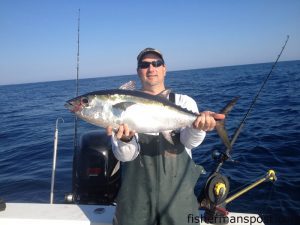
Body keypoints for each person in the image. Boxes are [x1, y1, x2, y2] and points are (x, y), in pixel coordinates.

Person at [106, 48, 225, 225]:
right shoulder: (122, 108)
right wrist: (125, 139)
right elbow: (125, 156)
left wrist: (199, 127)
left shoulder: (184, 102)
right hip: (136, 198)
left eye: (156, 63)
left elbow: (189, 143)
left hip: (178, 196)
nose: (151, 68)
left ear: (164, 69)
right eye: (144, 65)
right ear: (138, 71)